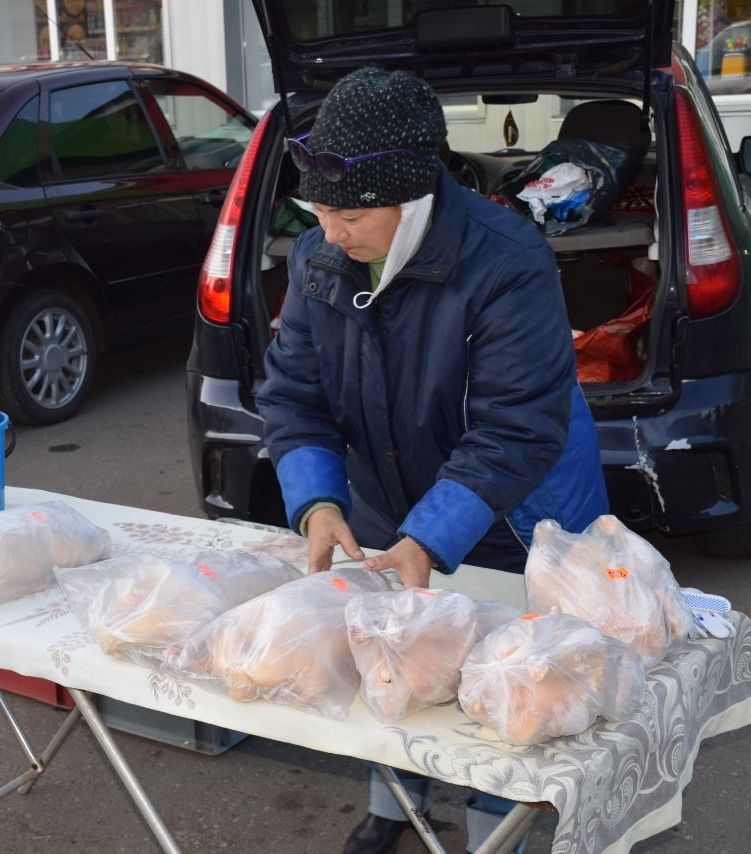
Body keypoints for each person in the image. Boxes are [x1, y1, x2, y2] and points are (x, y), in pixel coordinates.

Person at [256, 67, 609, 854]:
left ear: (410, 196)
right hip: (389, 499)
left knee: (500, 690)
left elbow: (516, 429)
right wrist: (318, 502)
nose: (330, 230)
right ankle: (393, 810)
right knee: (395, 667)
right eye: (317, 210)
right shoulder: (319, 258)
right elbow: (294, 396)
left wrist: (429, 536)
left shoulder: (506, 260)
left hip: (512, 514)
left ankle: (494, 831)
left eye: (348, 213)